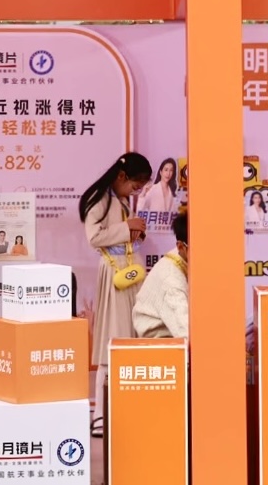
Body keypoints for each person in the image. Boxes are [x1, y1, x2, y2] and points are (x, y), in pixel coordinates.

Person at [80, 152, 153, 438]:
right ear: (122, 176)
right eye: (135, 186)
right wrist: (127, 227)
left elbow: (118, 233)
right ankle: (100, 414)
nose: (135, 191)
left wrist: (135, 232)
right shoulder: (99, 199)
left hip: (129, 270)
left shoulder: (119, 199)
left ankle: (123, 409)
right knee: (112, 339)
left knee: (130, 338)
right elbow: (94, 237)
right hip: (114, 273)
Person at [132, 211, 189, 340]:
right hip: (160, 342)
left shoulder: (183, 257)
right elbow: (187, 335)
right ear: (181, 247)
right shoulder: (171, 281)